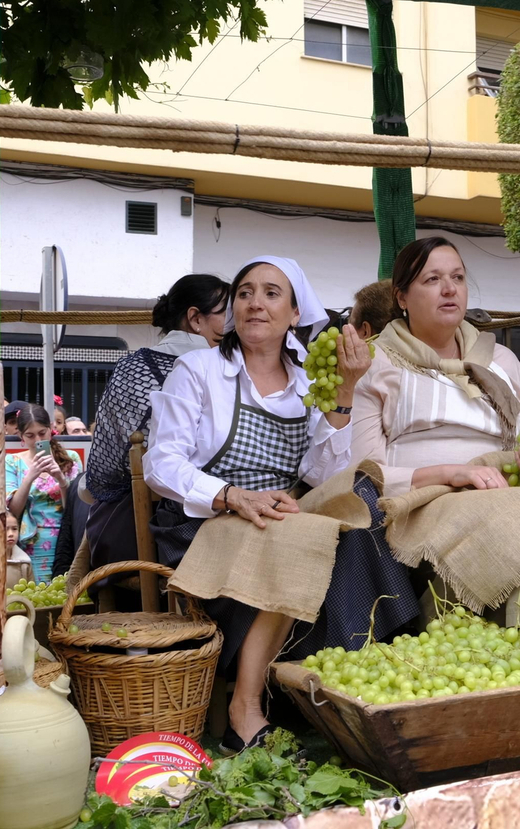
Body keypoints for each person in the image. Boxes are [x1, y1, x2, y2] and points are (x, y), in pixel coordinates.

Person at [145, 255, 388, 752]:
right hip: (202, 520)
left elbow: (320, 473)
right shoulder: (198, 370)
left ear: (295, 313)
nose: (255, 302)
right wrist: (231, 495)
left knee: (364, 514)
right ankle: (245, 709)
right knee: (299, 537)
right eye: (245, 292)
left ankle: (340, 686)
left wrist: (345, 390)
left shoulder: (306, 383)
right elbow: (161, 464)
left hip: (278, 514)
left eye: (272, 293)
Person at [352, 237, 520, 635]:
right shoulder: (376, 362)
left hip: (505, 485)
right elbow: (366, 471)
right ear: (401, 296)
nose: (449, 289)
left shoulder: (500, 359)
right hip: (427, 496)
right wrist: (454, 472)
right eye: (432, 279)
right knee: (500, 518)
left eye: (457, 278)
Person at [85, 273, 230, 573]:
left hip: (131, 537)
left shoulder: (131, 368)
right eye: (227, 313)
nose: (235, 322)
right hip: (207, 526)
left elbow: (105, 469)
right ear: (195, 318)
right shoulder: (226, 370)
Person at [6, 403, 81, 583]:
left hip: (66, 538)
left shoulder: (70, 458)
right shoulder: (12, 461)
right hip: (29, 542)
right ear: (21, 436)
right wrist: (30, 477)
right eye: (30, 435)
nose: (37, 440)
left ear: (51, 429)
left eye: (42, 433)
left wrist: (61, 480)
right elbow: (13, 510)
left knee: (63, 588)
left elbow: (76, 508)